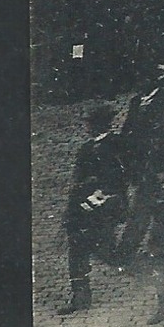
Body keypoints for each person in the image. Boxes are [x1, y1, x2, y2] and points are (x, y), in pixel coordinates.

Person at [56, 104, 131, 315]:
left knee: (107, 252)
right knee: (78, 248)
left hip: (106, 205)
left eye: (89, 122)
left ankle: (148, 270)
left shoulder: (115, 144)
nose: (86, 127)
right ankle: (80, 297)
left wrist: (93, 201)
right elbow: (78, 180)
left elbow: (118, 180)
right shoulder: (86, 148)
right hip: (85, 208)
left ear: (99, 124)